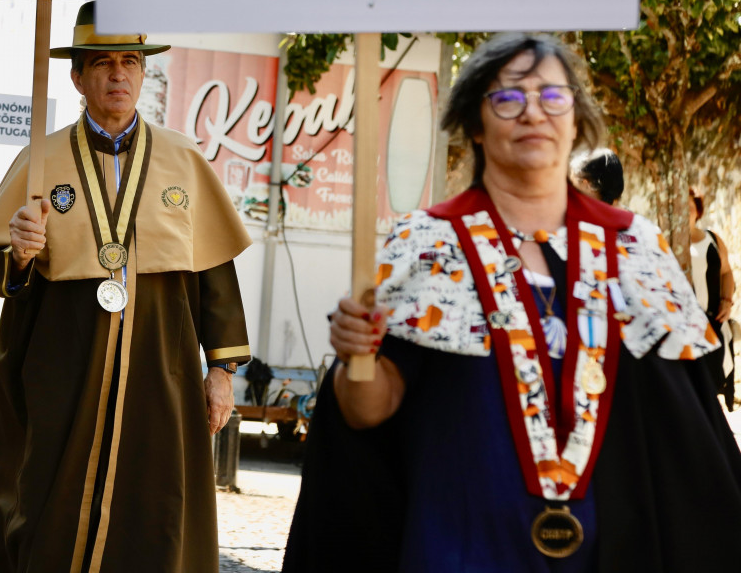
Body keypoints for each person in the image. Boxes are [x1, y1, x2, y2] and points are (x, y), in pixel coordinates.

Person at [282, 34, 741, 572]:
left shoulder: (635, 248)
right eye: (507, 98)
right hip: (456, 548)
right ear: (476, 124)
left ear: (576, 122)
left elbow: (687, 439)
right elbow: (367, 414)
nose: (533, 114)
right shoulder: (427, 245)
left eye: (553, 98)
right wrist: (355, 358)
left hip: (610, 554)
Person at [0, 2, 252, 573]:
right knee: (47, 497)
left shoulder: (183, 158)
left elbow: (214, 270)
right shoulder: (40, 159)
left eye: (130, 61)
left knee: (154, 498)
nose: (119, 74)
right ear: (77, 76)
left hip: (159, 363)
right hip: (62, 361)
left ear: (143, 72)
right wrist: (18, 252)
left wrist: (221, 369)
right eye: (103, 63)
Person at [689, 186, 736, 408]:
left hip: (714, 324)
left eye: (690, 207)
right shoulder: (665, 242)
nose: (686, 212)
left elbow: (726, 272)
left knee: (714, 387)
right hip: (684, 328)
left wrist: (727, 301)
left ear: (697, 211)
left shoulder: (712, 240)